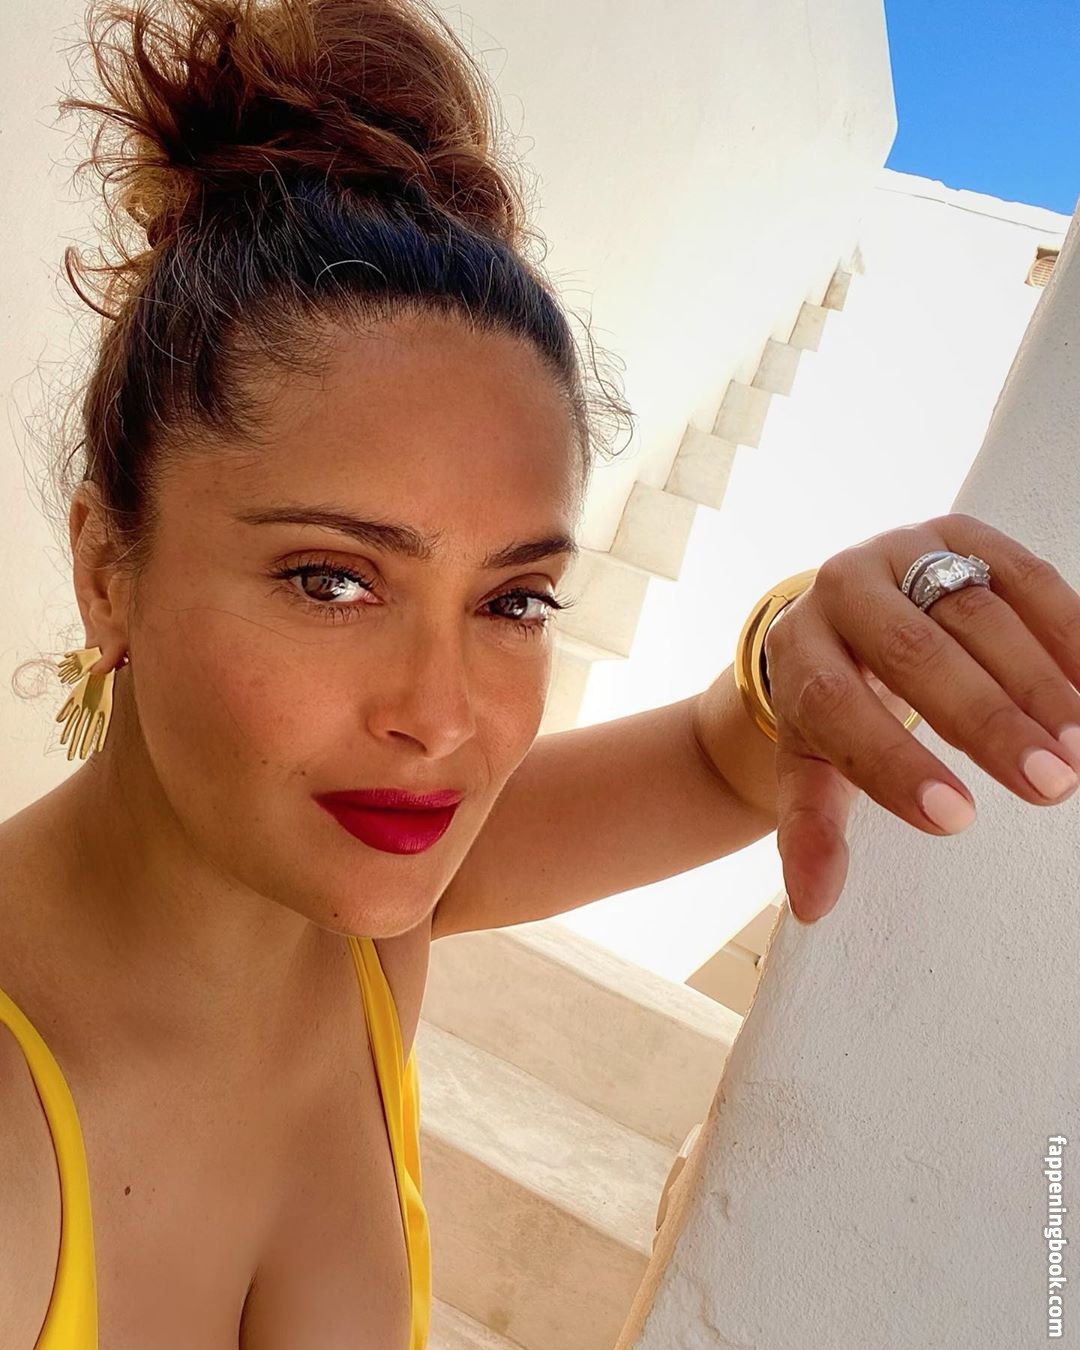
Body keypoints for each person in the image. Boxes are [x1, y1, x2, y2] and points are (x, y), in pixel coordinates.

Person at [5, 1, 1080, 1347]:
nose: (442, 716)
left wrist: (812, 631)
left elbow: (721, 758)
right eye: (332, 579)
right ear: (106, 568)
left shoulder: (358, 923)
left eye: (513, 599)